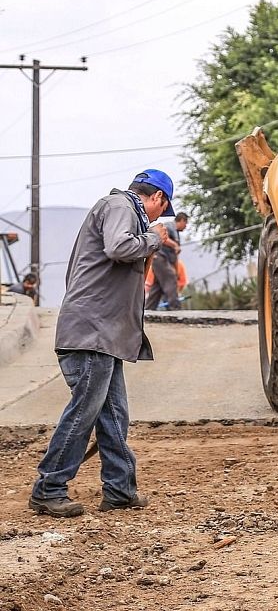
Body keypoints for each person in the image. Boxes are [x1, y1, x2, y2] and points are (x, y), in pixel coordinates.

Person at [28, 169, 175, 518]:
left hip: (103, 335)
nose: (158, 219)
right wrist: (154, 238)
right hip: (91, 334)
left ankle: (120, 489)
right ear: (157, 198)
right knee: (84, 413)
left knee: (113, 415)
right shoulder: (120, 205)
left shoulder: (118, 209)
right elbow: (120, 247)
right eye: (161, 211)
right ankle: (48, 488)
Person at [145, 211, 187, 311]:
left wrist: (176, 270)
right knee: (171, 278)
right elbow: (163, 238)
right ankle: (175, 309)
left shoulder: (176, 233)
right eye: (186, 223)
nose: (186, 226)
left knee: (157, 288)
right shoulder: (169, 226)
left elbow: (175, 256)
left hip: (165, 261)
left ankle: (148, 311)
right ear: (181, 220)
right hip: (159, 258)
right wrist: (175, 245)